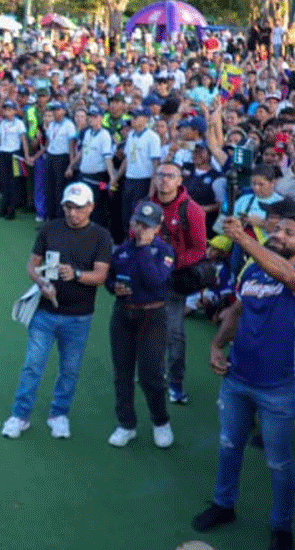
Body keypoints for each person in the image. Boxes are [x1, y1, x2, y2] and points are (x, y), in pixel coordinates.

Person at [194, 208, 295, 550]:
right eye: (277, 229)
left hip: (278, 388)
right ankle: (224, 505)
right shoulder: (252, 269)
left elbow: (285, 275)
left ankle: (281, 528)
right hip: (237, 379)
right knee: (228, 446)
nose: (280, 234)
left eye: (290, 232)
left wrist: (242, 239)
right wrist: (216, 345)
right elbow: (237, 310)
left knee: (279, 462)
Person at [2, 183, 113, 440]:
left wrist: (75, 274)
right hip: (44, 313)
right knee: (32, 365)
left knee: (70, 369)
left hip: (78, 317)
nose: (72, 213)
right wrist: (41, 283)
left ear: (91, 207)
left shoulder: (101, 237)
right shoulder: (50, 229)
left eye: (78, 208)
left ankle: (59, 414)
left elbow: (100, 276)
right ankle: (20, 415)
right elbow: (33, 266)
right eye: (68, 207)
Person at [106, 201, 176, 448]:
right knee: (122, 373)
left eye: (147, 226)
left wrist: (145, 248)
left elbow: (156, 281)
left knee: (150, 373)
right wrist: (114, 287)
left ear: (157, 227)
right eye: (138, 223)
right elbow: (110, 277)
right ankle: (126, 424)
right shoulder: (122, 250)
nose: (141, 229)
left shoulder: (164, 251)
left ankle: (160, 421)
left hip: (153, 317)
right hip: (124, 314)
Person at [149, 161, 208, 405]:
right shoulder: (146, 206)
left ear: (179, 181)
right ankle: (151, 371)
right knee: (146, 328)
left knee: (173, 333)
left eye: (170, 176)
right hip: (148, 280)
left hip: (174, 279)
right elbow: (134, 236)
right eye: (161, 175)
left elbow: (199, 250)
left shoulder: (191, 210)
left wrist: (171, 264)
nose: (164, 180)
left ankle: (175, 382)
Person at [120, 110, 161, 233]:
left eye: (137, 117)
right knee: (126, 213)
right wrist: (115, 178)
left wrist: (151, 190)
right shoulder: (131, 135)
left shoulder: (152, 137)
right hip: (129, 179)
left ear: (145, 119)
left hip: (144, 181)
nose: (133, 119)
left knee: (138, 214)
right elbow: (126, 159)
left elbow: (156, 165)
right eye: (132, 117)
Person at [0, 100, 29, 219]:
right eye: (5, 109)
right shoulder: (2, 124)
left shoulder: (19, 124)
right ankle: (3, 208)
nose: (7, 112)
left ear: (14, 111)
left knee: (13, 183)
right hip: (3, 153)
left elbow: (23, 140)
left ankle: (11, 211)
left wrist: (27, 156)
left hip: (14, 154)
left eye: (9, 109)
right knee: (4, 182)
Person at [43, 101, 77, 220]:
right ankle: (50, 219)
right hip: (51, 157)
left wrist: (70, 166)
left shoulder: (69, 125)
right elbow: (48, 144)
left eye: (57, 109)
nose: (55, 112)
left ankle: (59, 220)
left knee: (59, 191)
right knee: (49, 189)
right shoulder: (52, 125)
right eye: (53, 110)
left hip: (62, 158)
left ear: (63, 110)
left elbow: (71, 146)